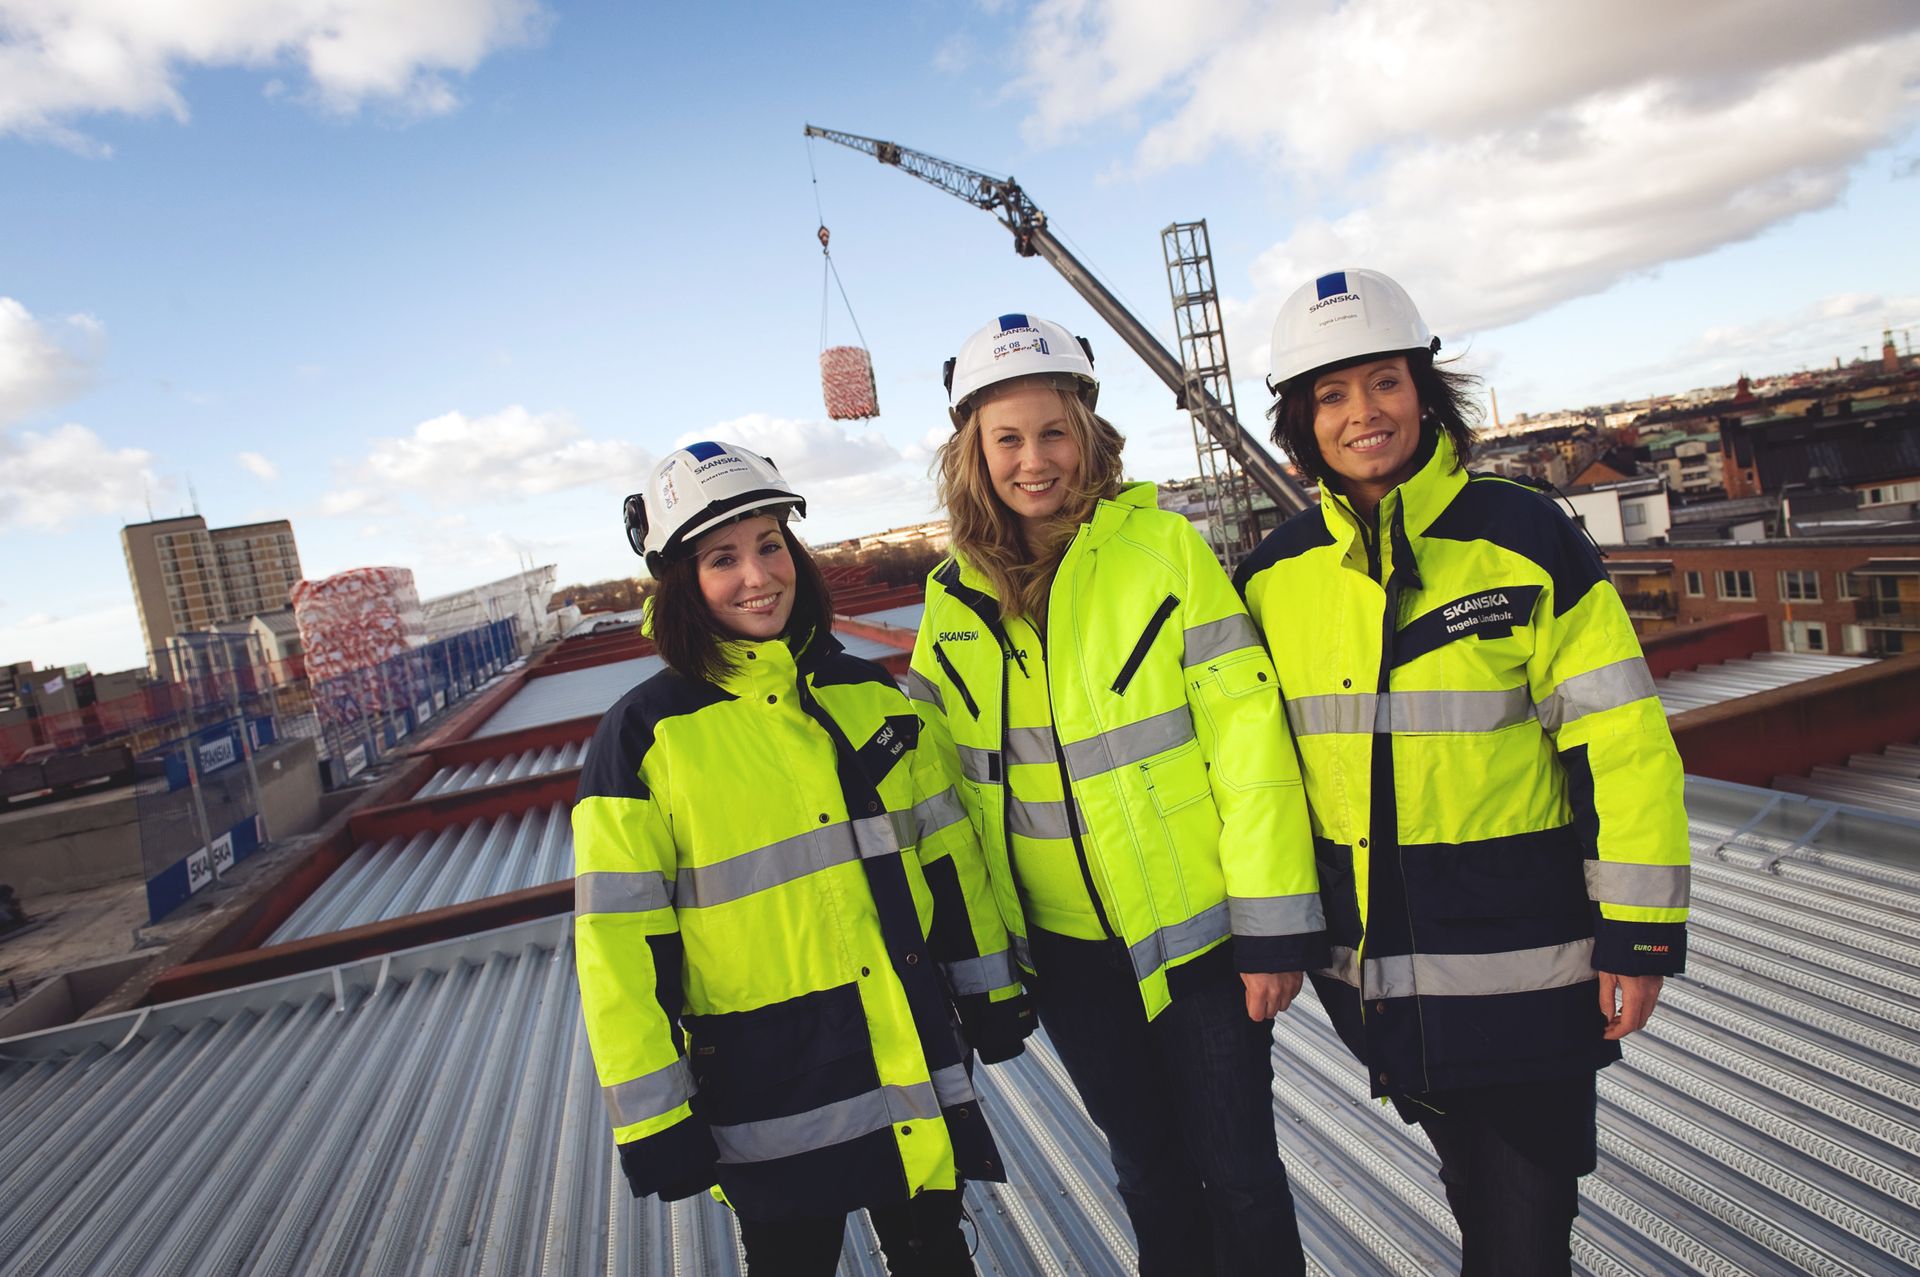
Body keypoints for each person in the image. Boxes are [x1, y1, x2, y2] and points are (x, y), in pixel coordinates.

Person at [1235, 269, 1691, 1275]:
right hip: (1378, 977)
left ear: (1424, 392)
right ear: (1301, 420)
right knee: (1476, 1193)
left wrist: (1642, 930)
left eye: (1385, 382)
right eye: (1332, 394)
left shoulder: (1523, 536)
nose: (1363, 413)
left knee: (1523, 1224)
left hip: (1532, 963)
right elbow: (1253, 773)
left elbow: (1623, 741)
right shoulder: (1272, 574)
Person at [907, 313, 1325, 1276]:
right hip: (1067, 962)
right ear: (974, 450)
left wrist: (1270, 927)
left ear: (1089, 434)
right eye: (1006, 438)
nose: (1033, 460)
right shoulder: (950, 602)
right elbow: (947, 801)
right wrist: (985, 963)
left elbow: (1250, 748)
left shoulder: (1164, 553)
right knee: (1147, 1171)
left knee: (1240, 1173)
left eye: (1053, 432)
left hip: (1200, 945)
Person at [572, 441, 1034, 1277]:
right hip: (766, 1088)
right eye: (722, 558)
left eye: (770, 544)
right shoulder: (643, 739)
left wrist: (989, 984)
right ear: (682, 580)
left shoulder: (868, 695)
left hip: (904, 1056)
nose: (758, 575)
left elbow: (944, 854)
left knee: (935, 1258)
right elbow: (617, 948)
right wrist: (653, 1117)